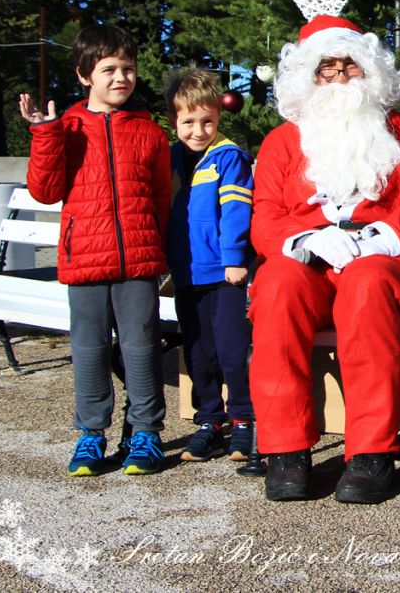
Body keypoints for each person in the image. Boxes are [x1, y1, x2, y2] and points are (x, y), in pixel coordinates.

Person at [248, 15, 400, 504]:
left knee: (368, 285)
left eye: (349, 66)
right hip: (311, 260)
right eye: (326, 69)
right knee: (275, 285)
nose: (338, 77)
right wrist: (307, 239)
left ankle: (371, 451)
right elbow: (266, 217)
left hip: (381, 258)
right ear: (307, 78)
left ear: (370, 71)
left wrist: (387, 232)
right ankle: (285, 450)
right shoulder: (282, 141)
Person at [19, 24, 171, 477]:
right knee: (88, 348)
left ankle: (145, 432)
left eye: (128, 69)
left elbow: (161, 195)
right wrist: (44, 135)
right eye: (109, 69)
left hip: (139, 260)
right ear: (85, 75)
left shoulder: (149, 132)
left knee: (142, 346)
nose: (121, 78)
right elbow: (44, 192)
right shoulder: (64, 128)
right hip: (85, 258)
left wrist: (157, 249)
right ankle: (91, 433)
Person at [164, 70, 255, 462]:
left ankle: (243, 420)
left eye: (207, 121)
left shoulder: (228, 157)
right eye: (188, 122)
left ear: (218, 117)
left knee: (232, 350)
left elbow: (236, 211)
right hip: (186, 272)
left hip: (223, 273)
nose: (198, 130)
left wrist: (235, 259)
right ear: (174, 121)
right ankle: (208, 421)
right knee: (199, 351)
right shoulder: (170, 158)